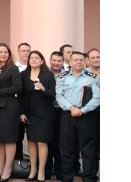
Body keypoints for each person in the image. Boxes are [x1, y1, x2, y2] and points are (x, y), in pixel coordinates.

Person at [55, 52, 99, 182]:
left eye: (81, 60)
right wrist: (71, 108)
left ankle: (89, 178)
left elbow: (97, 97)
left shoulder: (92, 77)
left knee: (88, 149)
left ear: (85, 62)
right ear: (71, 62)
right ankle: (67, 177)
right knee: (67, 147)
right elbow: (59, 96)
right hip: (68, 115)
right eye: (75, 60)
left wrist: (83, 110)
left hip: (87, 115)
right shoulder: (63, 76)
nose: (78, 62)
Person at [19, 51, 56, 182]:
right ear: (29, 60)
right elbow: (21, 96)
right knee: (31, 142)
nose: (34, 60)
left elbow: (53, 94)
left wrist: (43, 88)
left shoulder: (48, 75)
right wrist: (22, 112)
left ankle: (41, 171)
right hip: (30, 114)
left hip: (45, 114)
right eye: (32, 58)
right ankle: (33, 169)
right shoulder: (23, 75)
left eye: (37, 58)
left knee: (41, 142)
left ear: (42, 61)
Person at [0, 43, 22, 182]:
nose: (3, 54)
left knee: (9, 139)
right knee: (0, 140)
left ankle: (8, 170)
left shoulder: (13, 68)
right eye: (0, 52)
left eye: (5, 52)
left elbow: (18, 87)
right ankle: (0, 169)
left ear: (9, 54)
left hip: (9, 108)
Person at [46, 51, 65, 180]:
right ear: (50, 60)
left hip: (62, 113)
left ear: (63, 62)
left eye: (59, 61)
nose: (56, 63)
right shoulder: (45, 74)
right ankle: (47, 172)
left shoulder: (67, 75)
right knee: (47, 141)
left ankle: (60, 172)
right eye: (54, 60)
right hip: (47, 112)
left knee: (61, 143)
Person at [13, 43, 31, 162]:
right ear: (18, 52)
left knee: (33, 138)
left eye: (28, 51)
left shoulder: (35, 67)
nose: (25, 53)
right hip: (16, 106)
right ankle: (17, 165)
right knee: (17, 137)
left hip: (31, 106)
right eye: (23, 51)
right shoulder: (14, 67)